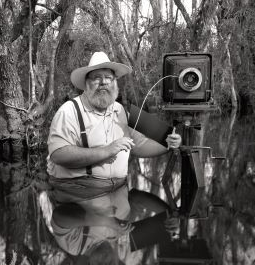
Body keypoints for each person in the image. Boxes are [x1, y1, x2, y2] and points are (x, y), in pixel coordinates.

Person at [47, 51, 181, 200]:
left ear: (115, 83)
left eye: (108, 78)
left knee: (157, 215)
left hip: (118, 189)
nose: (103, 82)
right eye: (96, 78)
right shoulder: (69, 111)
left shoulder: (120, 109)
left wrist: (168, 144)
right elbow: (59, 154)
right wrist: (107, 150)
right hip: (79, 190)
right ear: (86, 84)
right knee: (109, 219)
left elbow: (138, 145)